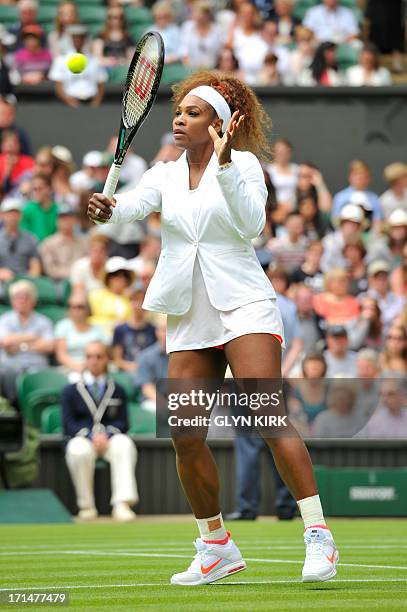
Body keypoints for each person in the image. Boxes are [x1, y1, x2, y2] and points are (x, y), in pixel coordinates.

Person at [88, 70, 338, 585]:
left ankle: (317, 535)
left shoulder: (244, 165)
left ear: (219, 124)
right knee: (184, 432)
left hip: (244, 302)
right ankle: (215, 544)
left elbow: (251, 226)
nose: (180, 119)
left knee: (268, 415)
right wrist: (107, 209)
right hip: (188, 311)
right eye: (178, 113)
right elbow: (129, 206)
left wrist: (224, 165)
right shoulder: (162, 173)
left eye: (193, 114)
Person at [62, 340, 138, 521]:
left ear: (107, 360)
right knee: (77, 449)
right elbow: (68, 424)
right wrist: (89, 435)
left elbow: (123, 422)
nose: (94, 361)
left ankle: (122, 504)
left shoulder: (118, 389)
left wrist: (107, 435)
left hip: (109, 440)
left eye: (98, 356)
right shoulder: (70, 390)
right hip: (84, 439)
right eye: (89, 357)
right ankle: (86, 506)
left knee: (125, 444)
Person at [0, 280, 54, 404]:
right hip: (10, 367)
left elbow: (49, 346)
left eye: (26, 297)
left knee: (41, 375)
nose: (22, 301)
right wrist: (33, 336)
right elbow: (6, 341)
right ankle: (15, 407)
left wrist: (20, 345)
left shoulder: (43, 321)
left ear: (33, 300)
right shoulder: (5, 320)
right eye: (17, 297)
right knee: (5, 372)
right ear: (12, 300)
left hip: (37, 367)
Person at [49, 24, 107, 108]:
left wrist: (95, 104)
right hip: (68, 104)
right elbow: (58, 86)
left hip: (91, 103)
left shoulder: (94, 61)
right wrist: (70, 102)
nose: (78, 40)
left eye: (81, 37)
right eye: (75, 37)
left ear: (85, 39)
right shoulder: (60, 60)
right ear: (70, 39)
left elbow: (101, 84)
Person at [55, 293, 107, 375]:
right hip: (69, 368)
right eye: (72, 306)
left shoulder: (98, 329)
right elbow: (62, 355)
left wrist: (88, 365)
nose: (76, 310)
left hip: (94, 367)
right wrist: (77, 367)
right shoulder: (62, 326)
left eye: (80, 307)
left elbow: (103, 353)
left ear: (88, 309)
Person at [112, 281, 157, 372]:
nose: (137, 305)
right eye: (134, 300)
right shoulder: (120, 330)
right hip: (127, 373)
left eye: (141, 301)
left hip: (149, 373)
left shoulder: (153, 330)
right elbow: (117, 360)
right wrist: (134, 367)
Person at [38, 205, 88, 281]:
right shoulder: (48, 244)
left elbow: (87, 263)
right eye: (62, 218)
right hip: (58, 284)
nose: (65, 221)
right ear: (57, 221)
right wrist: (73, 274)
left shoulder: (84, 242)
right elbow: (50, 270)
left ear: (75, 220)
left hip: (82, 281)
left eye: (69, 218)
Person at [332, 160, 383, 229]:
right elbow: (335, 222)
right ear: (350, 177)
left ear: (368, 178)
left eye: (363, 175)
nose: (360, 178)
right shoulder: (340, 197)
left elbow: (378, 222)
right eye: (356, 175)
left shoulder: (374, 199)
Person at [0, 196, 41, 281]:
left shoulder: (31, 238)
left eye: (15, 213)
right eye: (9, 213)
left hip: (24, 282)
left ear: (21, 215)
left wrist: (29, 280)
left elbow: (35, 266)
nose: (12, 217)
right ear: (2, 215)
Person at [180, 2, 225, 71]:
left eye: (205, 13)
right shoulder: (187, 27)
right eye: (198, 13)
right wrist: (190, 69)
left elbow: (221, 52)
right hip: (190, 70)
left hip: (213, 70)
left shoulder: (218, 30)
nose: (202, 16)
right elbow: (183, 51)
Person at [20, 173, 59, 241]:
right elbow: (24, 234)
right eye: (35, 189)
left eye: (40, 188)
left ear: (50, 189)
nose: (37, 192)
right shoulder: (27, 209)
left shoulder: (58, 209)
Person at [0, 129, 34, 195]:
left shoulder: (29, 161)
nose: (11, 145)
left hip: (22, 196)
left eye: (14, 142)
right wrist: (8, 171)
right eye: (7, 142)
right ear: (2, 146)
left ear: (19, 145)